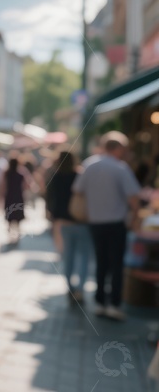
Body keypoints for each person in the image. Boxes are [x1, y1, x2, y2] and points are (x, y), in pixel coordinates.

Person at [72, 131, 141, 321]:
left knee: (101, 262)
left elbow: (78, 190)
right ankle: (114, 303)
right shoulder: (120, 168)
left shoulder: (90, 164)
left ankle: (100, 301)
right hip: (116, 222)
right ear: (118, 149)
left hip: (95, 221)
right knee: (116, 263)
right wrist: (135, 217)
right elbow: (133, 197)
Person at [45, 151, 90, 304]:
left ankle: (71, 287)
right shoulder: (79, 175)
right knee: (83, 257)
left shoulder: (55, 177)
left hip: (62, 222)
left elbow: (49, 199)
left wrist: (51, 216)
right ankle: (80, 289)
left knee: (68, 257)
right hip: (81, 221)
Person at [3, 155, 31, 245]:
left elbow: (2, 186)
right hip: (18, 197)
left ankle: (11, 236)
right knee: (18, 218)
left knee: (10, 217)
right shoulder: (21, 174)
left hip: (9, 197)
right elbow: (27, 185)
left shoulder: (7, 173)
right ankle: (17, 236)